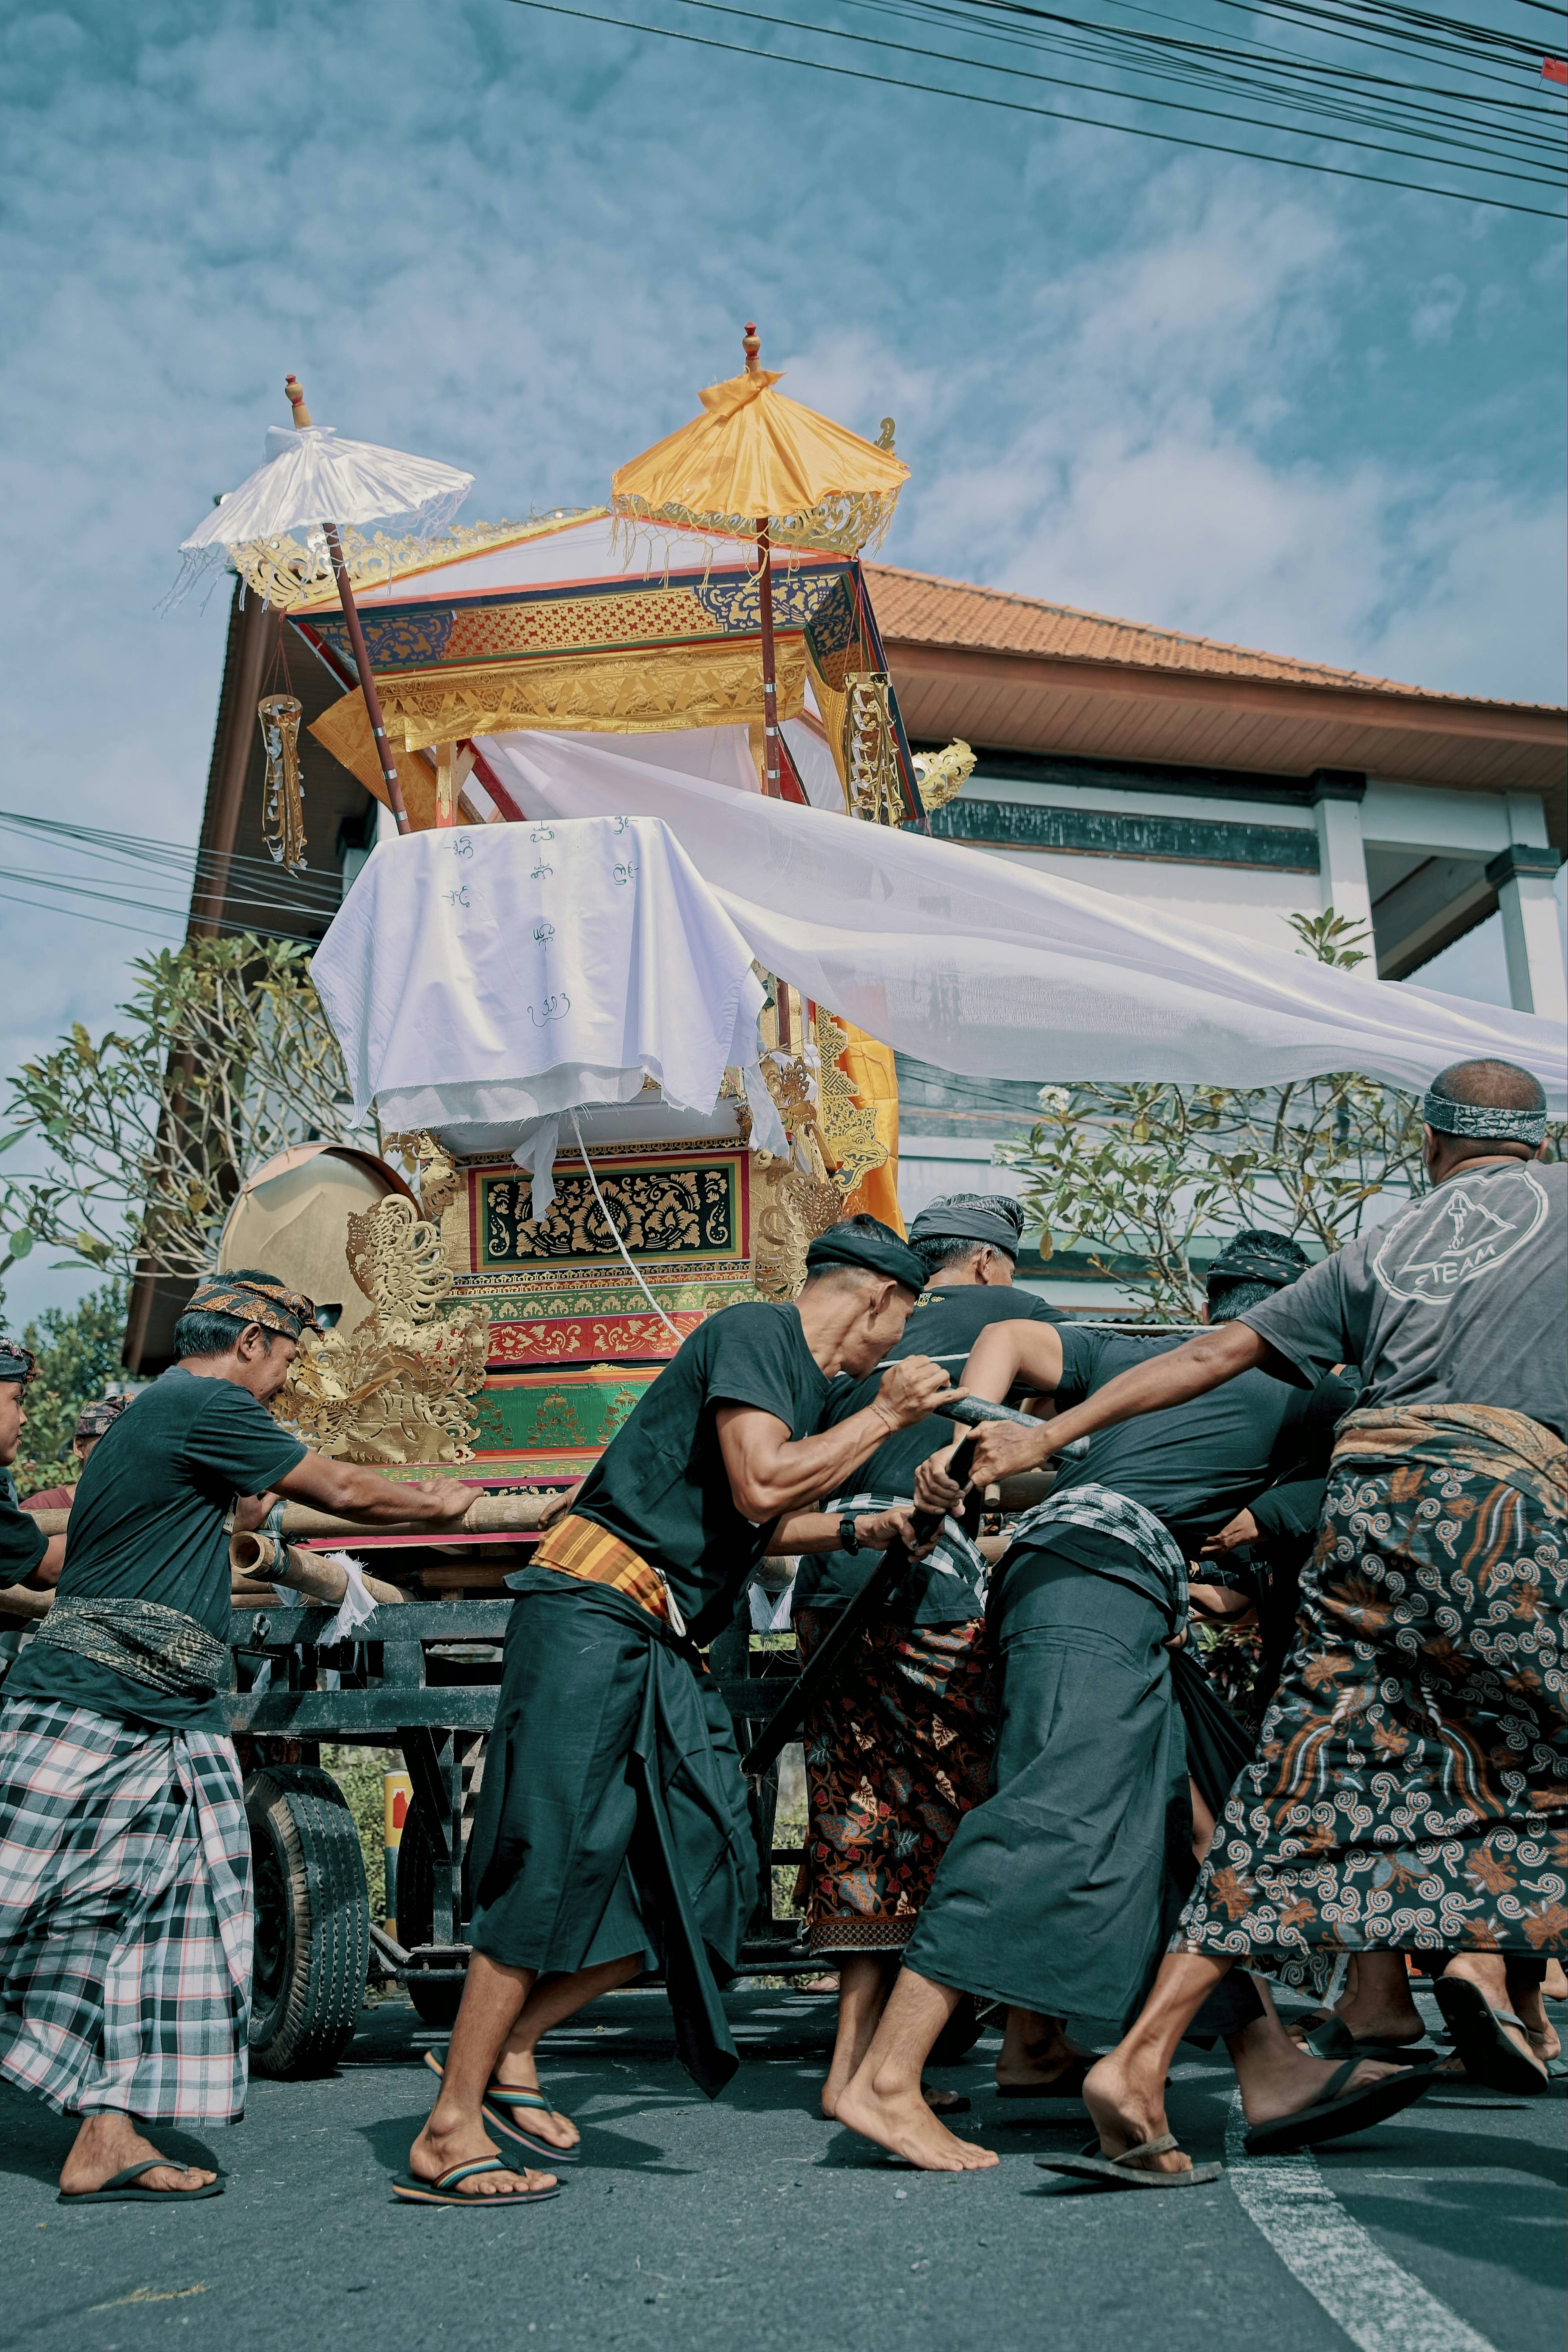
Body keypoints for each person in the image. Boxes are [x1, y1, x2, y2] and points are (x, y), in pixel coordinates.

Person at [957, 1057, 1565, 2178]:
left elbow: (1207, 1353)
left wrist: (1045, 1438)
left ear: (1431, 1147)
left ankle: (1136, 2064)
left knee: (1302, 1785)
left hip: (1375, 1504)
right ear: (1538, 1139)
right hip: (1506, 1504)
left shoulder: (1382, 1247)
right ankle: (1483, 1973)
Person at [835, 1231, 1426, 2174]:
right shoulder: (1321, 1387)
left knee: (1186, 1828)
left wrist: (969, 1437)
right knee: (1051, 1814)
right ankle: (886, 2077)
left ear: (1211, 1313)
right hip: (1100, 1583)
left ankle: (1263, 2060)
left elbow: (1021, 1339)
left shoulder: (1138, 1354)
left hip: (1079, 1579)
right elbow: (1378, 1482)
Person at [403, 1216, 956, 2207]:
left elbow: (761, 1509)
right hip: (589, 1608)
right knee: (552, 1854)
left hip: (658, 1638)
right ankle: (449, 2126)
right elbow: (755, 1487)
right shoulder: (754, 1332)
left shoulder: (809, 1386)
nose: (896, 1349)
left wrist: (870, 1524)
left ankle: (520, 2041)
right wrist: (885, 1418)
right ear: (877, 1298)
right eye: (901, 1322)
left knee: (712, 1868)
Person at [0, 1271, 479, 2206]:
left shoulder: (165, 1418)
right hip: (93, 1699)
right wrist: (440, 1503)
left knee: (164, 1928)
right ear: (252, 1339)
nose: (286, 1382)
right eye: (289, 1359)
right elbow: (339, 1488)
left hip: (165, 1716)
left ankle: (105, 2131)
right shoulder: (202, 1401)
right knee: (18, 1899)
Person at [791, 1193, 1062, 2117]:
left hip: (826, 1589)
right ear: (988, 1264)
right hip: (928, 1600)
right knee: (988, 1804)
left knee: (859, 1814)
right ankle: (1029, 2033)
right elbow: (1055, 1441)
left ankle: (848, 2074)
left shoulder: (848, 1330)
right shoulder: (1012, 1319)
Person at [20, 1394, 134, 1514]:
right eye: (108, 1442)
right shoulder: (42, 1507)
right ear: (79, 1447)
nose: (120, 1451)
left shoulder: (144, 1508)